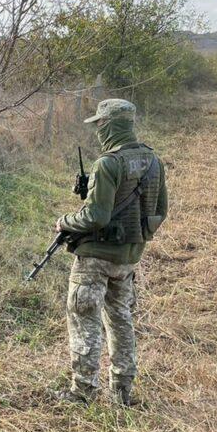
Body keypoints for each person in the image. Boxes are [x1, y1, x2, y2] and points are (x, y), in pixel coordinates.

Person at [55, 98, 168, 405]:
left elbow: (96, 217)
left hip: (95, 258)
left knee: (84, 319)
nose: (97, 132)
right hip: (128, 257)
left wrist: (64, 221)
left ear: (109, 125)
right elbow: (160, 209)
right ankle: (122, 391)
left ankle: (83, 392)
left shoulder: (107, 163)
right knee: (121, 320)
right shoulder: (153, 161)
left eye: (100, 125)